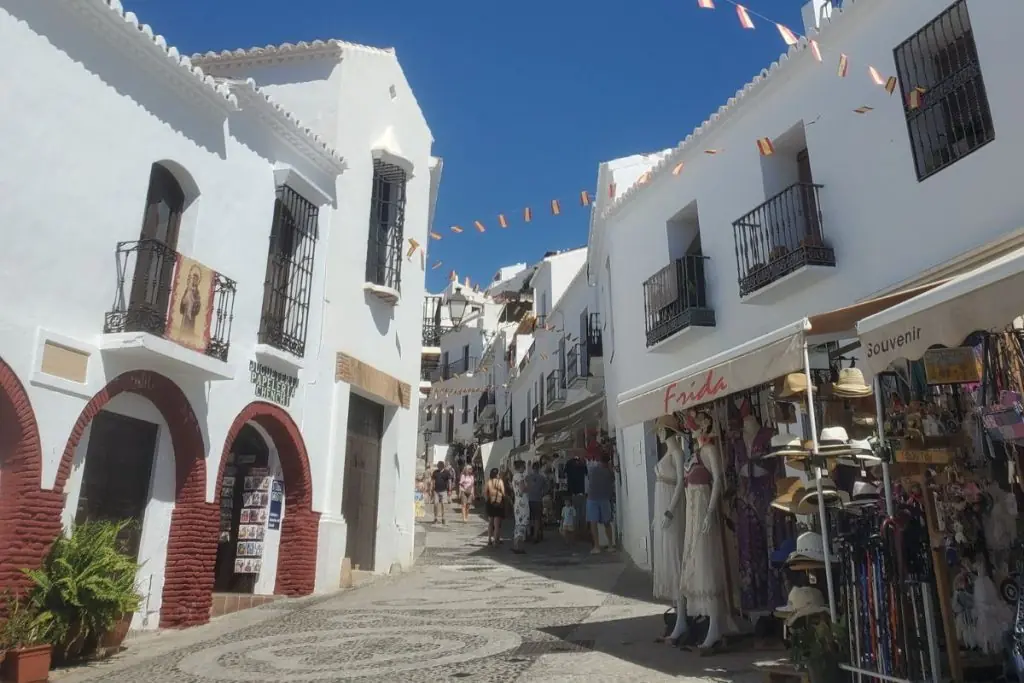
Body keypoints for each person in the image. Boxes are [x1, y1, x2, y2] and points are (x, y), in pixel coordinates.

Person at [586, 454, 616, 554]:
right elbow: (612, 480)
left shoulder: (593, 469)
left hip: (595, 498)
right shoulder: (607, 471)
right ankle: (607, 545)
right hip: (601, 498)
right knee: (603, 522)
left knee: (596, 522)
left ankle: (598, 546)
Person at [564, 453, 588, 540]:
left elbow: (565, 475)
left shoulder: (569, 464)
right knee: (582, 515)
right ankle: (582, 533)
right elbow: (586, 475)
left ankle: (575, 533)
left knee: (574, 515)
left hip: (573, 493)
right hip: (582, 493)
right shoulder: (582, 464)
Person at [526, 461, 548, 543]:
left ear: (532, 468)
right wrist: (542, 493)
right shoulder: (542, 477)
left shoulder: (528, 477)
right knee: (537, 518)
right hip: (538, 499)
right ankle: (535, 536)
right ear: (539, 468)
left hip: (529, 499)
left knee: (529, 518)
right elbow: (547, 487)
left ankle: (529, 533)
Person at [511, 460, 529, 554]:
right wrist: (529, 487)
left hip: (517, 502)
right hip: (522, 502)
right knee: (523, 524)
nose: (525, 468)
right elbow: (522, 489)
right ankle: (519, 547)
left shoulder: (514, 476)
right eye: (524, 466)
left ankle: (516, 545)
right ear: (521, 467)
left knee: (518, 523)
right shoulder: (521, 476)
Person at [484, 468, 505, 546]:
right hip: (498, 503)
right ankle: (496, 541)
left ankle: (489, 540)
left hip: (490, 503)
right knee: (496, 524)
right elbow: (503, 493)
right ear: (497, 475)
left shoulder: (488, 482)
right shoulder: (500, 482)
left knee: (490, 523)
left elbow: (485, 494)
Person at [430, 460, 451, 525]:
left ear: (443, 466)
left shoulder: (447, 472)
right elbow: (432, 481)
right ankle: (435, 518)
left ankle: (443, 518)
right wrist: (431, 489)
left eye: (440, 466)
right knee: (435, 504)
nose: (439, 467)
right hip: (436, 491)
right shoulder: (435, 472)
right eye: (438, 466)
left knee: (443, 504)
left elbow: (449, 481)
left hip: (444, 490)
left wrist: (449, 490)